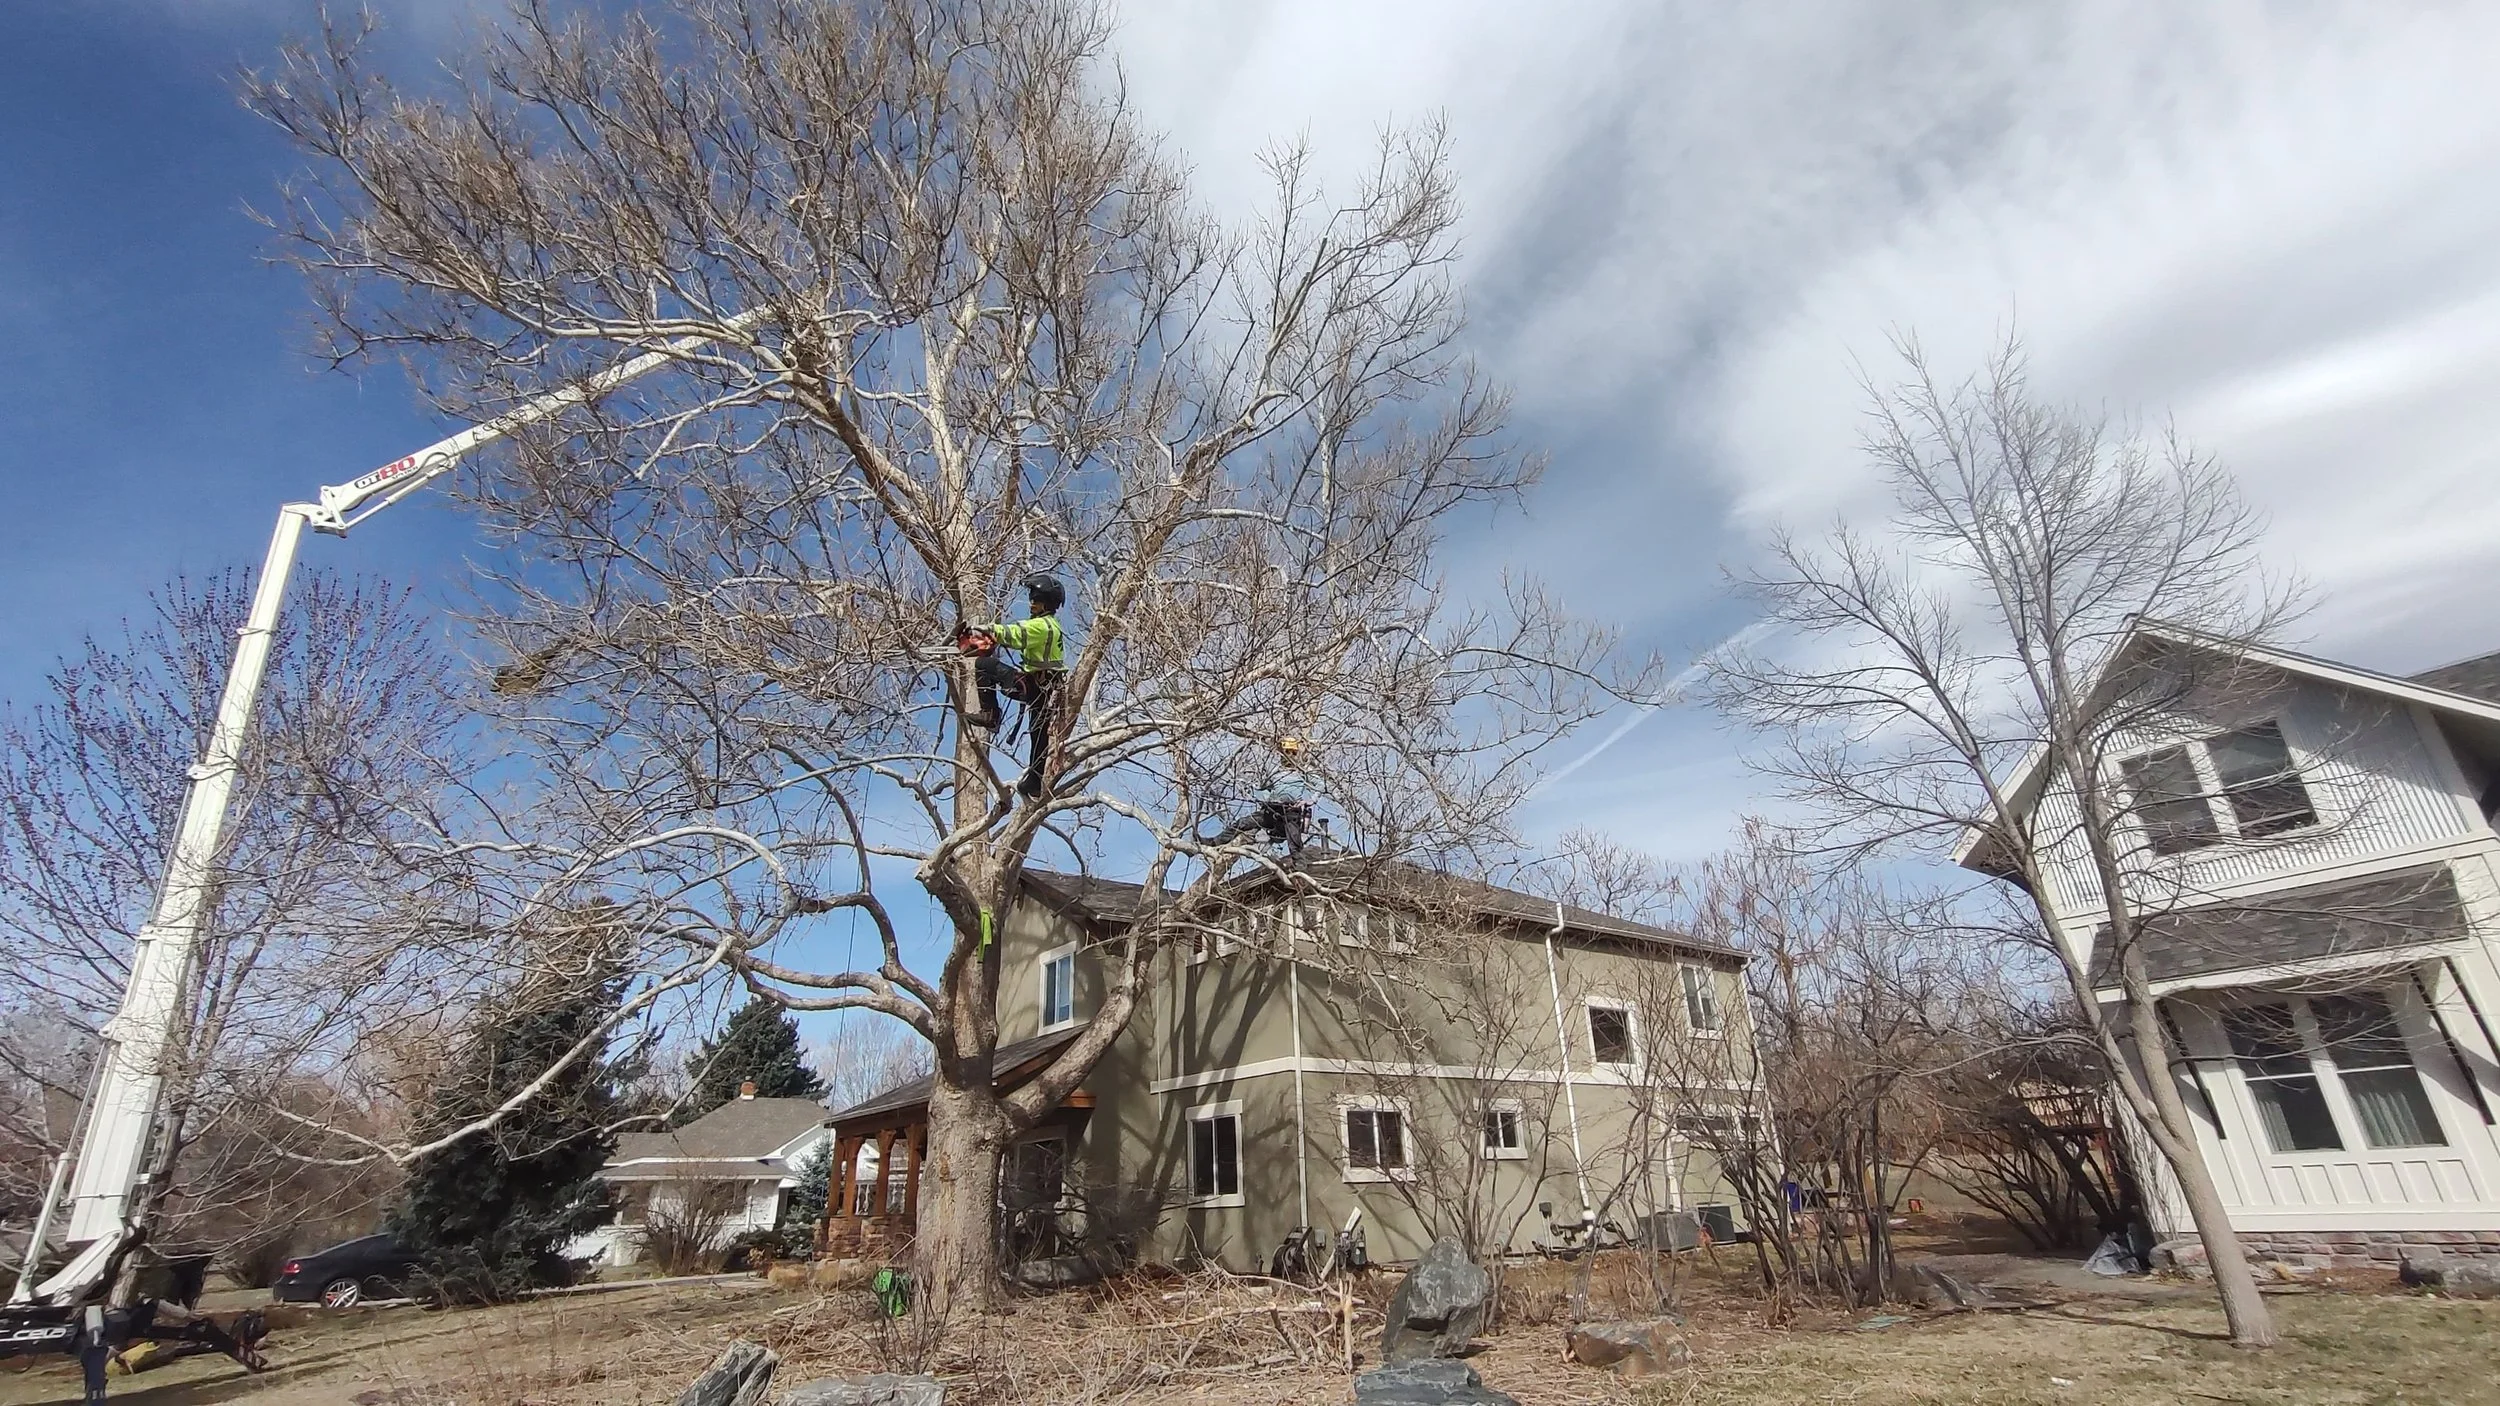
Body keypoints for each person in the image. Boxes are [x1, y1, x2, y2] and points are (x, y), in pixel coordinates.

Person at [963, 572, 1069, 797]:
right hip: (1044, 687)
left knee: (983, 664)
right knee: (1038, 735)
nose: (1031, 603)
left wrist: (988, 630)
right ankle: (1035, 780)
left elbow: (1016, 633)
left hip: (1039, 686)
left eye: (1035, 599)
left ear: (1046, 603)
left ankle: (990, 714)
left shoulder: (1043, 626)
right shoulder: (1048, 625)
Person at [1210, 737, 1316, 862]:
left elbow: (1320, 785)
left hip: (1290, 812)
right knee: (1243, 823)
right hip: (1272, 811)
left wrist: (1311, 800)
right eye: (1287, 752)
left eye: (1293, 752)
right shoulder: (1275, 773)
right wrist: (1264, 795)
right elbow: (1264, 788)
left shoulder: (1302, 773)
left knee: (1294, 844)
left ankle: (1300, 865)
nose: (1290, 756)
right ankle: (1214, 842)